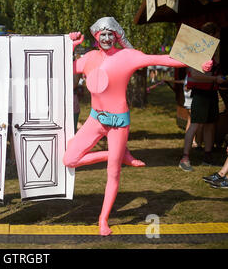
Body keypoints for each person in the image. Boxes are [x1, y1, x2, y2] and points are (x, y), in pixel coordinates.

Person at [63, 16, 212, 236]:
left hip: (119, 124)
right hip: (95, 120)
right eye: (101, 34)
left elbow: (164, 58)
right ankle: (117, 155)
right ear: (95, 37)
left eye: (110, 34)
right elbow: (61, 68)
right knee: (69, 159)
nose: (105, 38)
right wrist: (70, 46)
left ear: (116, 36)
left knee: (113, 173)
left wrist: (197, 62)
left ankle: (103, 220)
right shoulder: (88, 58)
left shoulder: (128, 56)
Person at [179, 22, 225, 172]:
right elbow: (195, 75)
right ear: (211, 35)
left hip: (211, 92)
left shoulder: (212, 51)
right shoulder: (198, 50)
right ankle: (185, 158)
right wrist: (214, 79)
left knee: (210, 124)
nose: (218, 38)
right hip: (200, 93)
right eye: (216, 35)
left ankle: (208, 155)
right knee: (195, 124)